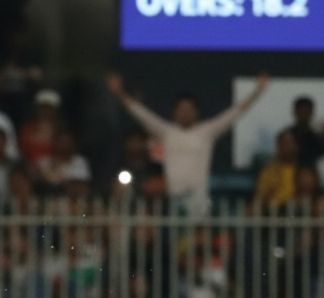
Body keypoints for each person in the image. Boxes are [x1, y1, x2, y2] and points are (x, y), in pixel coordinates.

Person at [107, 72, 269, 216]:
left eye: (189, 109)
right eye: (181, 109)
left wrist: (257, 92)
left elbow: (235, 112)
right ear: (174, 112)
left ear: (196, 112)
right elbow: (140, 113)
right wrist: (119, 93)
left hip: (198, 199)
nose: (185, 112)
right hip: (173, 198)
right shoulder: (167, 132)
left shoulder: (206, 131)